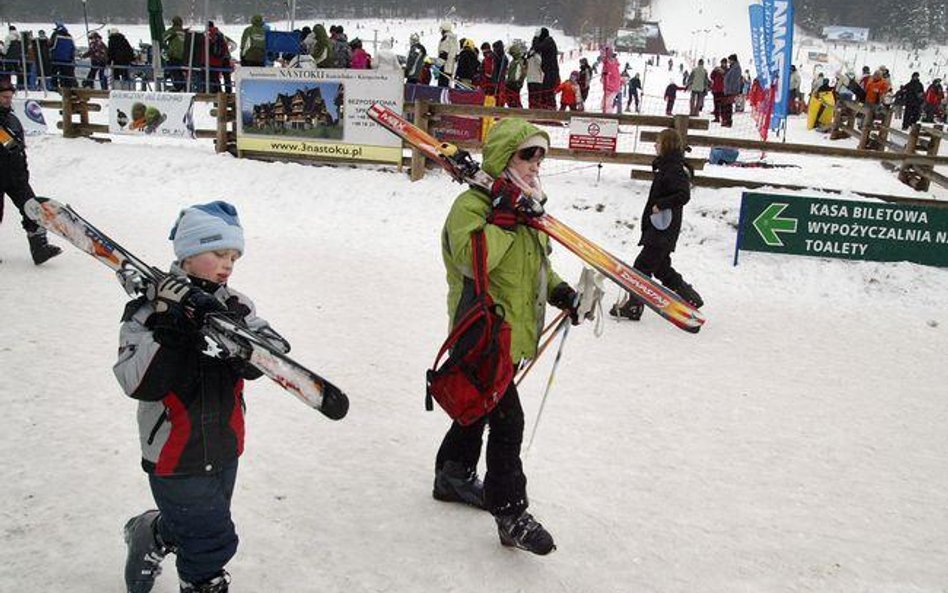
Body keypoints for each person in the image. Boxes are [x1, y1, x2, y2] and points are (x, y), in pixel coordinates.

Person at [117, 201, 285, 593]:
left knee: (197, 522)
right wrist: (172, 331)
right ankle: (202, 582)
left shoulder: (235, 305)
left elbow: (272, 346)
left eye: (234, 256)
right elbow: (136, 382)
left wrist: (248, 351)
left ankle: (154, 532)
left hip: (226, 444)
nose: (228, 264)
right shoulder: (147, 311)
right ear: (188, 255)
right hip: (174, 451)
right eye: (218, 253)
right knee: (212, 538)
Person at [435, 117, 580, 556]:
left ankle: (453, 474)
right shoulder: (473, 208)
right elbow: (471, 261)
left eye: (540, 155)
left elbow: (534, 265)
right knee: (507, 420)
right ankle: (510, 511)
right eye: (526, 155)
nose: (536, 164)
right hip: (481, 334)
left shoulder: (526, 207)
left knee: (480, 405)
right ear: (503, 158)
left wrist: (557, 289)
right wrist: (501, 220)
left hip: (513, 334)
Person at [611, 128, 702, 320]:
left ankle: (634, 307)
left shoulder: (674, 168)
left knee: (641, 267)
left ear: (666, 145)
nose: (655, 145)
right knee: (661, 268)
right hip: (659, 227)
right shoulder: (667, 166)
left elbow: (683, 195)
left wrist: (660, 205)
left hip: (663, 229)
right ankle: (690, 297)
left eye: (658, 142)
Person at [0, 78, 62, 265]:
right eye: (3, 97)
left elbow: (18, 149)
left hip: (15, 176)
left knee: (32, 208)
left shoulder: (12, 119)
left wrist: (23, 172)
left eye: (9, 97)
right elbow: (7, 144)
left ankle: (39, 248)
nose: (7, 100)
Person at [163, 16, 188, 90]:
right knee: (181, 73)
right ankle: (183, 87)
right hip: (184, 56)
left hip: (174, 55)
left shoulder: (172, 31)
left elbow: (163, 38)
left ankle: (178, 87)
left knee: (174, 72)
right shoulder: (184, 32)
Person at [49, 23, 76, 89]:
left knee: (53, 73)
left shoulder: (56, 35)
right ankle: (66, 87)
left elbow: (52, 46)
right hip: (67, 60)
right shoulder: (70, 36)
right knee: (65, 75)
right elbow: (73, 48)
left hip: (56, 58)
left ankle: (54, 87)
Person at [504, 40, 527, 107]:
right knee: (510, 100)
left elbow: (521, 73)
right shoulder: (513, 61)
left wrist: (519, 82)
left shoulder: (520, 61)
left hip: (515, 84)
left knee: (515, 101)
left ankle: (518, 113)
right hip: (511, 83)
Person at [721, 54, 742, 127]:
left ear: (733, 60)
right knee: (726, 106)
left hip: (731, 90)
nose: (728, 62)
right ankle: (726, 120)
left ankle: (728, 121)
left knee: (728, 106)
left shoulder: (736, 68)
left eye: (729, 60)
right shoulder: (733, 67)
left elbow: (733, 80)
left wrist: (729, 89)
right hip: (728, 90)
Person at [436, 22, 457, 87]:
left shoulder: (446, 39)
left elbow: (443, 54)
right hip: (451, 68)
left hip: (444, 67)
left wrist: (437, 66)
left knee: (442, 87)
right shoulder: (454, 39)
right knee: (447, 88)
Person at [600, 47, 620, 114]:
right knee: (604, 104)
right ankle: (606, 115)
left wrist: (604, 78)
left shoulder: (609, 63)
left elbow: (609, 73)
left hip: (611, 86)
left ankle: (607, 117)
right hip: (610, 86)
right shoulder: (609, 63)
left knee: (607, 105)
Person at [525, 38, 543, 109]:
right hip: (537, 80)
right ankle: (536, 116)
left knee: (531, 99)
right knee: (537, 101)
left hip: (530, 79)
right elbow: (542, 67)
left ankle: (531, 113)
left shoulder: (529, 55)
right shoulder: (537, 56)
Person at [710, 58, 726, 122]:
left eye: (724, 63)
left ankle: (722, 118)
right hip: (716, 90)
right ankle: (717, 117)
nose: (723, 64)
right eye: (722, 62)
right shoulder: (717, 70)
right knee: (716, 104)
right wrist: (714, 71)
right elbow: (711, 76)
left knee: (722, 105)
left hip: (723, 90)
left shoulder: (727, 70)